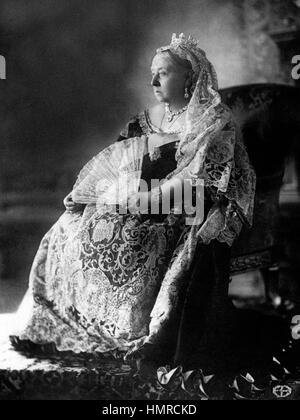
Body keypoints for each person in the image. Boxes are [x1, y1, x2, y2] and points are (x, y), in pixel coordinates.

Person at [10, 34, 256, 374]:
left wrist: (149, 201)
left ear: (190, 77)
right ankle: (74, 325)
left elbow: (200, 179)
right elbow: (116, 166)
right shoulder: (147, 119)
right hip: (136, 205)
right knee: (68, 228)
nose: (153, 80)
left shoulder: (213, 121)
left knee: (136, 239)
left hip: (182, 211)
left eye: (164, 73)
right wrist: (106, 196)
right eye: (153, 72)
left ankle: (129, 332)